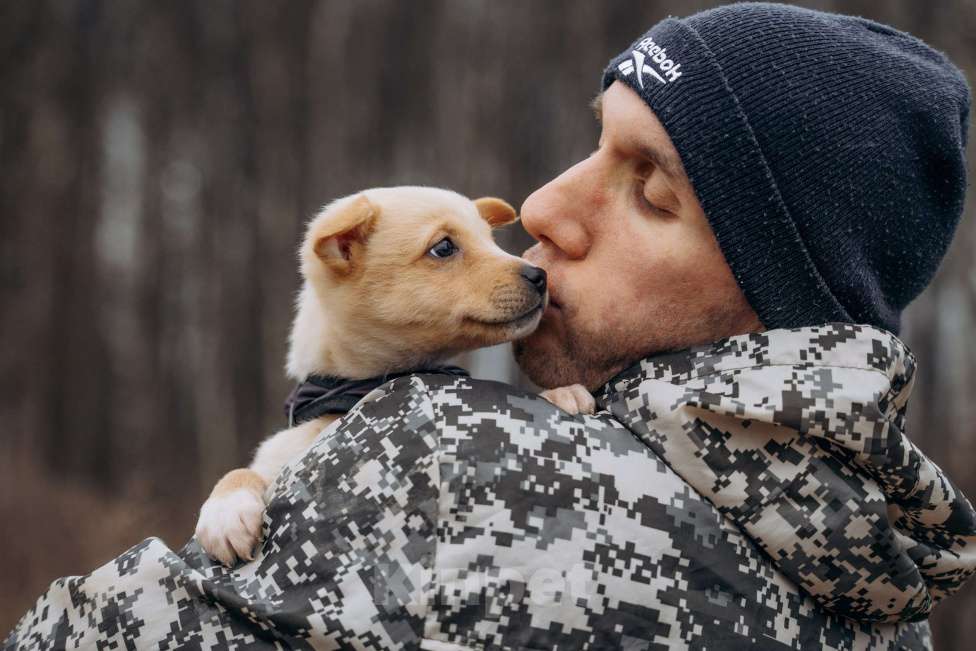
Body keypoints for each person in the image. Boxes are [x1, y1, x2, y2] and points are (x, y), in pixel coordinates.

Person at [6, 3, 976, 649]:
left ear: (779, 294)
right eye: (593, 145)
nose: (545, 207)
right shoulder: (885, 591)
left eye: (647, 191)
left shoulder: (448, 455)